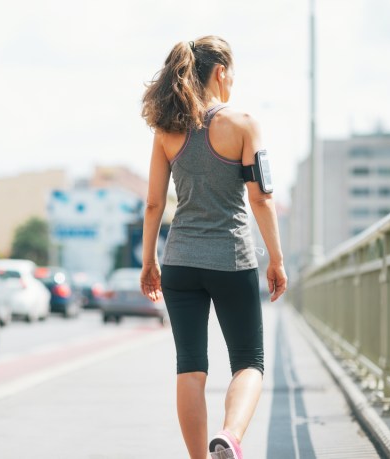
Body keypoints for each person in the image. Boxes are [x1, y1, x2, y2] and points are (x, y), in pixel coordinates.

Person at [139, 36, 287, 459]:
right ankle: (230, 437)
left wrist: (149, 259)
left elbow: (153, 203)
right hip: (232, 259)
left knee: (190, 366)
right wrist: (275, 259)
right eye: (232, 73)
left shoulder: (167, 129)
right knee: (248, 362)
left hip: (180, 261)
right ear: (220, 72)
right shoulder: (243, 124)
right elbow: (261, 198)